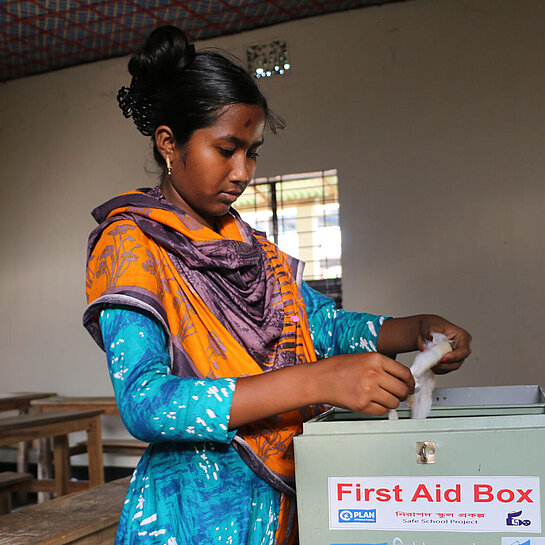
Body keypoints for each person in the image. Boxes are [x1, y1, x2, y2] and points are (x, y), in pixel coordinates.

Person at [83, 25, 471, 545]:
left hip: (289, 499)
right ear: (169, 142)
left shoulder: (254, 248)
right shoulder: (132, 245)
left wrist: (413, 330)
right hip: (195, 515)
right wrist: (317, 382)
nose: (242, 172)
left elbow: (320, 326)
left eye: (253, 151)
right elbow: (146, 402)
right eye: (226, 149)